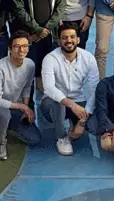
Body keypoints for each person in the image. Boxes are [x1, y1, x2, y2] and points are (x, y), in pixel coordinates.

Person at [0, 31, 41, 160]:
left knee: (35, 139)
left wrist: (26, 108)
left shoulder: (30, 65)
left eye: (25, 46)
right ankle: (0, 145)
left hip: (12, 107)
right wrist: (23, 107)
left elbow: (27, 87)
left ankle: (3, 126)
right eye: (17, 46)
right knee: (2, 113)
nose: (21, 50)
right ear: (10, 49)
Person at [39, 25, 99, 155]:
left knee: (94, 127)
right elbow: (49, 88)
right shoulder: (50, 58)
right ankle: (61, 137)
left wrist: (83, 121)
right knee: (58, 102)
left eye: (72, 37)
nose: (69, 40)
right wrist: (72, 105)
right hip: (53, 103)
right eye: (64, 38)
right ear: (59, 41)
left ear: (78, 39)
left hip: (78, 100)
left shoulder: (88, 58)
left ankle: (74, 122)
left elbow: (94, 89)